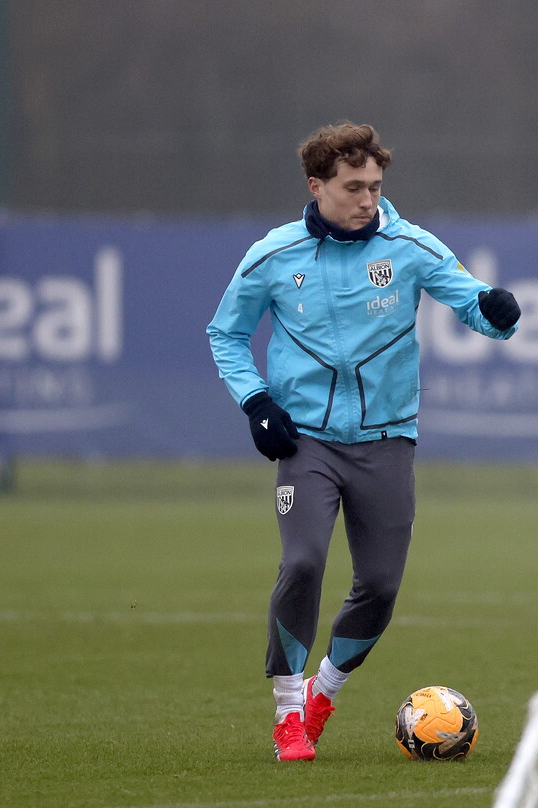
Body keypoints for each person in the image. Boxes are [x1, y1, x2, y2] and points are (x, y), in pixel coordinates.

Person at [207, 122, 521, 760]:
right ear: (316, 185)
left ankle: (326, 690)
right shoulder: (272, 255)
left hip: (387, 441)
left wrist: (496, 309)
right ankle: (289, 711)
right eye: (354, 187)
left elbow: (472, 307)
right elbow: (225, 335)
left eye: (376, 187)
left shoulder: (409, 246)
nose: (367, 200)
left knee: (378, 585)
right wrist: (257, 401)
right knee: (302, 564)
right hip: (307, 443)